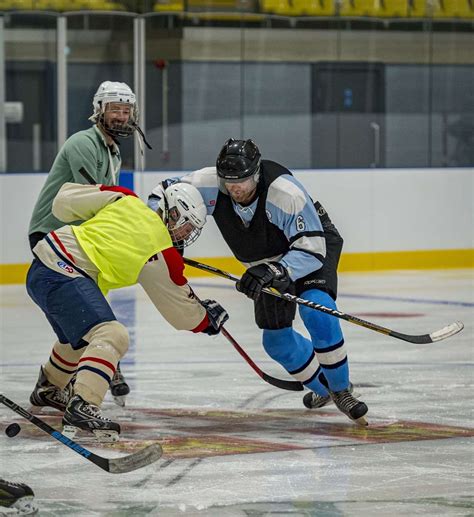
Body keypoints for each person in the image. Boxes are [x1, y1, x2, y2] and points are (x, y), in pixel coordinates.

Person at [149, 139, 368, 425]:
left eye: (242, 180)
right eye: (228, 181)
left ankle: (341, 390)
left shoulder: (284, 192)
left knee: (317, 308)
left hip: (310, 248)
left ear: (256, 174)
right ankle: (322, 387)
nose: (234, 188)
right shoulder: (209, 183)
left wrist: (276, 271)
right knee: (276, 343)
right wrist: (161, 228)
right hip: (264, 262)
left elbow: (312, 249)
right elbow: (163, 193)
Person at [27, 181, 228, 441]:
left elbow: (63, 202)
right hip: (63, 270)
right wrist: (205, 319)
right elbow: (180, 312)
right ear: (173, 214)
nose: (186, 234)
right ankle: (83, 404)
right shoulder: (161, 251)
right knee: (112, 335)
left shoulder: (126, 199)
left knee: (80, 340)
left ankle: (50, 386)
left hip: (41, 266)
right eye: (186, 225)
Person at [27, 80, 150, 407]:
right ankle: (104, 363)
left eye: (126, 111)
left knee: (83, 315)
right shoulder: (84, 142)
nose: (121, 117)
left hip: (80, 238)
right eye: (114, 110)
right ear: (99, 111)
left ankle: (54, 382)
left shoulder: (112, 150)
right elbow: (90, 202)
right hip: (54, 235)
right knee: (88, 316)